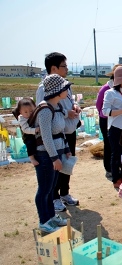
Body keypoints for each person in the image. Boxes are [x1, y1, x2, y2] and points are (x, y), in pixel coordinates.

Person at [36, 52, 80, 212]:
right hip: (56, 132)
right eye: (64, 66)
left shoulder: (65, 86)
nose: (67, 69)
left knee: (67, 163)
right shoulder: (44, 88)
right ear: (53, 68)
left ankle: (65, 193)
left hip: (67, 130)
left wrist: (74, 107)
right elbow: (45, 109)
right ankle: (54, 197)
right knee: (56, 166)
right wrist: (65, 113)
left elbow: (71, 101)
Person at [34, 74, 70, 232]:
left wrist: (66, 148)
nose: (68, 90)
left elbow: (61, 131)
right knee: (44, 189)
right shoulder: (45, 110)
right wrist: (54, 157)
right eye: (65, 87)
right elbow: (46, 136)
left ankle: (51, 216)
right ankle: (44, 220)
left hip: (57, 152)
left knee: (51, 187)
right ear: (58, 90)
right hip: (46, 156)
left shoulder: (58, 106)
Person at [102, 66, 122, 190]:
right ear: (120, 79)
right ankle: (116, 178)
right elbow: (105, 111)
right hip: (116, 128)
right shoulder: (110, 93)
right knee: (116, 154)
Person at [96, 64, 122, 180]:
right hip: (106, 120)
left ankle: (119, 166)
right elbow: (98, 105)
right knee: (109, 144)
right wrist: (107, 114)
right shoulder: (106, 89)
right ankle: (109, 169)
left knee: (119, 144)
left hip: (119, 119)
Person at [12, 98, 40, 165]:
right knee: (30, 144)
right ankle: (32, 158)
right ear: (20, 112)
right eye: (25, 112)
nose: (28, 114)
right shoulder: (22, 119)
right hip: (27, 135)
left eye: (31, 111)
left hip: (34, 133)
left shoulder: (36, 115)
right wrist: (35, 130)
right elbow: (25, 129)